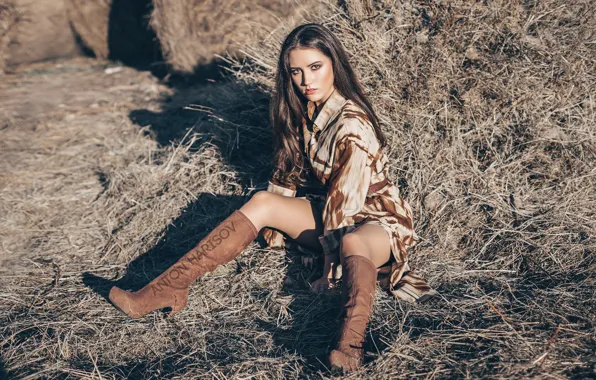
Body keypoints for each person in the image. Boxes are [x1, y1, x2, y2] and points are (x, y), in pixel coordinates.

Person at [108, 23, 435, 372]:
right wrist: (271, 226)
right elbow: (286, 177)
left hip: (375, 220)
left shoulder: (352, 124)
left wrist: (328, 269)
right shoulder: (304, 111)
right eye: (296, 71)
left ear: (334, 65)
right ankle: (167, 289)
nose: (306, 79)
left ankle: (350, 346)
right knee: (263, 201)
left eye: (315, 67)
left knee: (354, 241)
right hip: (330, 212)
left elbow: (345, 205)